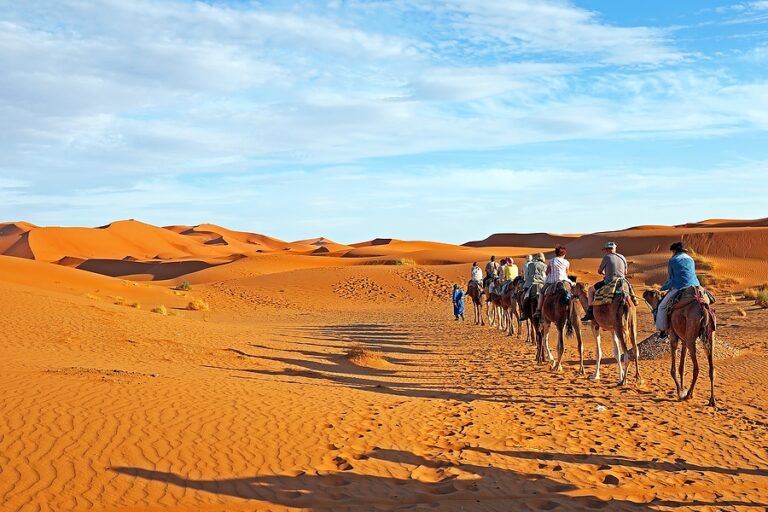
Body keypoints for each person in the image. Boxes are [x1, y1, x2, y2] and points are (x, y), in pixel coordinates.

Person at [656, 241, 700, 338]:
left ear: (674, 251)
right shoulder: (691, 259)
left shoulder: (673, 260)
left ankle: (663, 330)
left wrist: (663, 288)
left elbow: (671, 278)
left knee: (662, 307)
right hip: (696, 286)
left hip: (680, 286)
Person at [581, 241, 628, 321]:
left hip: (609, 282)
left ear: (607, 250)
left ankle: (590, 312)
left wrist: (604, 273)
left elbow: (599, 271)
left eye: (606, 250)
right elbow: (625, 272)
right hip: (622, 282)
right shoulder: (622, 257)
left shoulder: (607, 257)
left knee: (590, 290)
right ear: (615, 248)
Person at [536, 245, 571, 317]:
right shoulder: (567, 262)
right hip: (564, 280)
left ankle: (538, 310)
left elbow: (547, 272)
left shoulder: (551, 261)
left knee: (542, 292)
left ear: (556, 253)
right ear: (564, 254)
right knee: (573, 292)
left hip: (552, 281)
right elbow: (567, 273)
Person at [519, 252, 546, 320]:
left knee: (524, 296)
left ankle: (524, 313)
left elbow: (527, 275)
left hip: (531, 283)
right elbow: (545, 276)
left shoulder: (530, 265)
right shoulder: (544, 266)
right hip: (542, 284)